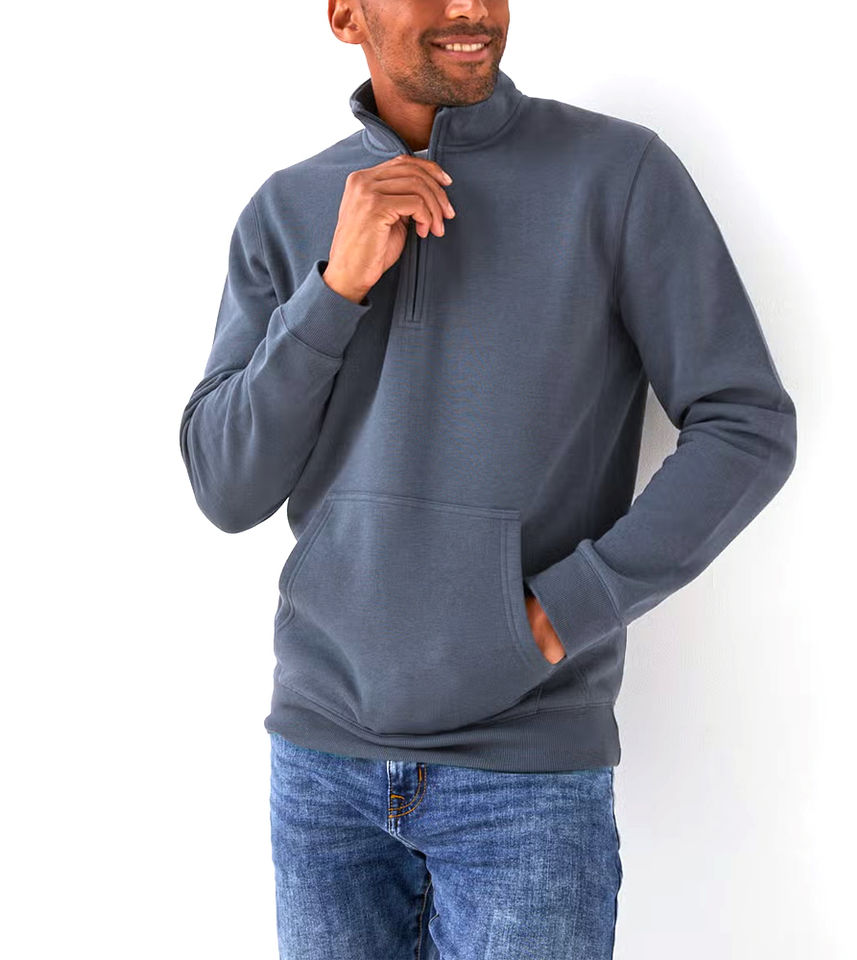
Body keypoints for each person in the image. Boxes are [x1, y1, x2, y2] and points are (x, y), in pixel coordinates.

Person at [179, 1, 797, 956]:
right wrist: (335, 289)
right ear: (345, 14)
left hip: (524, 780)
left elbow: (745, 423)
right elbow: (226, 485)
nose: (471, 7)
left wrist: (562, 611)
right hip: (321, 773)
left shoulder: (617, 175)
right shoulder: (288, 207)